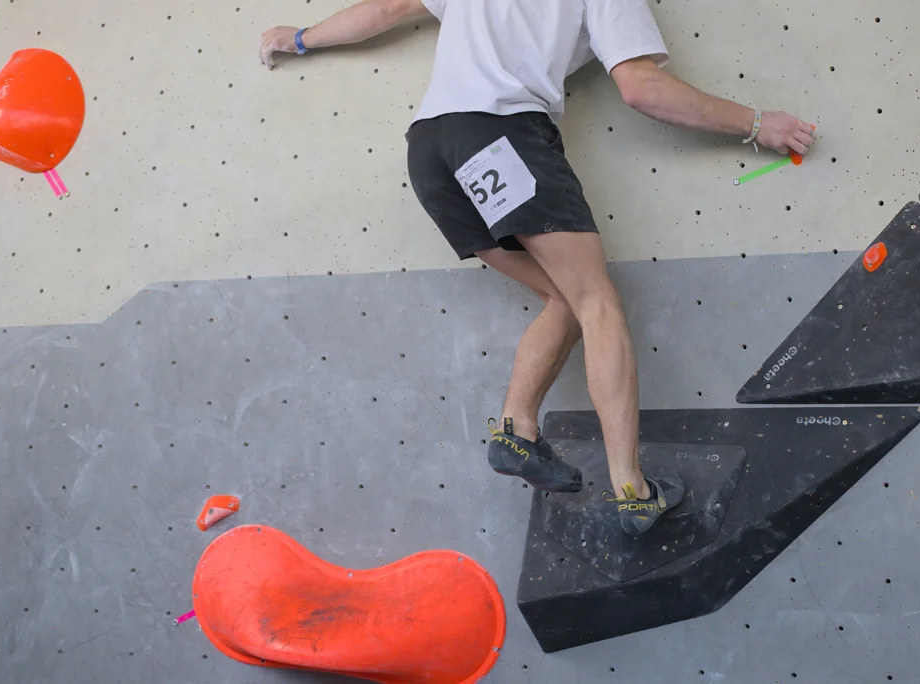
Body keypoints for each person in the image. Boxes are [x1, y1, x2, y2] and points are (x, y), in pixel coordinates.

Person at [259, 0, 815, 536]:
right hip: (501, 135)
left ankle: (518, 432)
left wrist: (300, 38)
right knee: (598, 303)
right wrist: (756, 122)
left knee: (567, 300)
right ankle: (633, 490)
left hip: (430, 150)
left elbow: (384, 10)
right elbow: (642, 87)